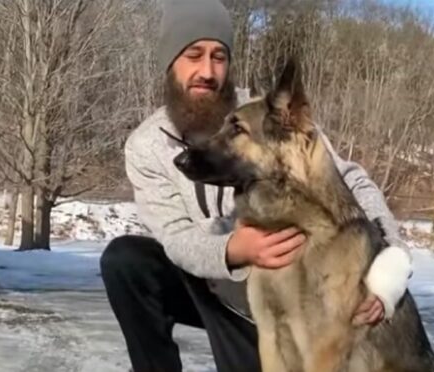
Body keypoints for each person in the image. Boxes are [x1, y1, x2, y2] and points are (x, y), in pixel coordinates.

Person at [100, 0, 413, 371]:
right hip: (209, 281)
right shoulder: (146, 145)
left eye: (219, 56)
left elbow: (350, 181)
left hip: (287, 291)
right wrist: (235, 249)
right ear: (170, 64)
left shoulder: (271, 118)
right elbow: (176, 238)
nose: (207, 70)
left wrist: (389, 265)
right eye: (194, 55)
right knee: (126, 261)